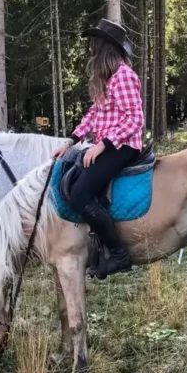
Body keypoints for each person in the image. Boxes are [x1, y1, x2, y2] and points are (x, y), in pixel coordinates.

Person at [51, 18, 144, 278]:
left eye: (95, 43)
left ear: (105, 47)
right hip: (106, 144)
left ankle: (119, 254)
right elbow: (94, 115)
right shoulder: (106, 78)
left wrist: (103, 145)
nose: (91, 49)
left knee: (80, 194)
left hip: (124, 146)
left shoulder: (123, 76)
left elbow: (135, 119)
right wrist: (71, 141)